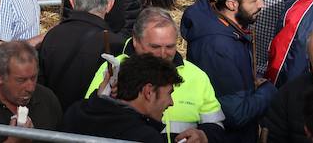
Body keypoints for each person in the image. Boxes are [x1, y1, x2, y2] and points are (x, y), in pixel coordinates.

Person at [85, 7, 224, 142]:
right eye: (155, 47)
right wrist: (108, 96)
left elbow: (216, 124)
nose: (163, 54)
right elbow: (90, 116)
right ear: (135, 41)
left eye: (170, 46)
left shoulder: (196, 75)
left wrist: (204, 135)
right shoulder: (114, 69)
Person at [180, 0, 277, 143]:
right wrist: (268, 91)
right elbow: (234, 114)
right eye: (255, 0)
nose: (261, 5)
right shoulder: (217, 47)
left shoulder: (230, 31)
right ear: (232, 4)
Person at [38, 0, 120, 111]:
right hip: (92, 124)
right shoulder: (115, 44)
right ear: (110, 5)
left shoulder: (52, 36)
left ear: (71, 1)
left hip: (54, 123)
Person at [61, 52, 182, 143]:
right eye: (169, 93)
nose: (171, 102)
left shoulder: (75, 113)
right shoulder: (144, 137)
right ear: (148, 91)